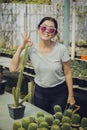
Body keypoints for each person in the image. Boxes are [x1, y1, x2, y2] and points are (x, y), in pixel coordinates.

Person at [9, 16, 75, 114]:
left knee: (56, 121)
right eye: (44, 27)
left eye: (51, 29)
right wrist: (21, 47)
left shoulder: (61, 49)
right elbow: (13, 69)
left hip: (59, 92)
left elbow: (68, 73)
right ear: (38, 29)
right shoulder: (31, 49)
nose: (47, 31)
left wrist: (71, 96)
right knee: (41, 121)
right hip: (40, 93)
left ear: (55, 33)